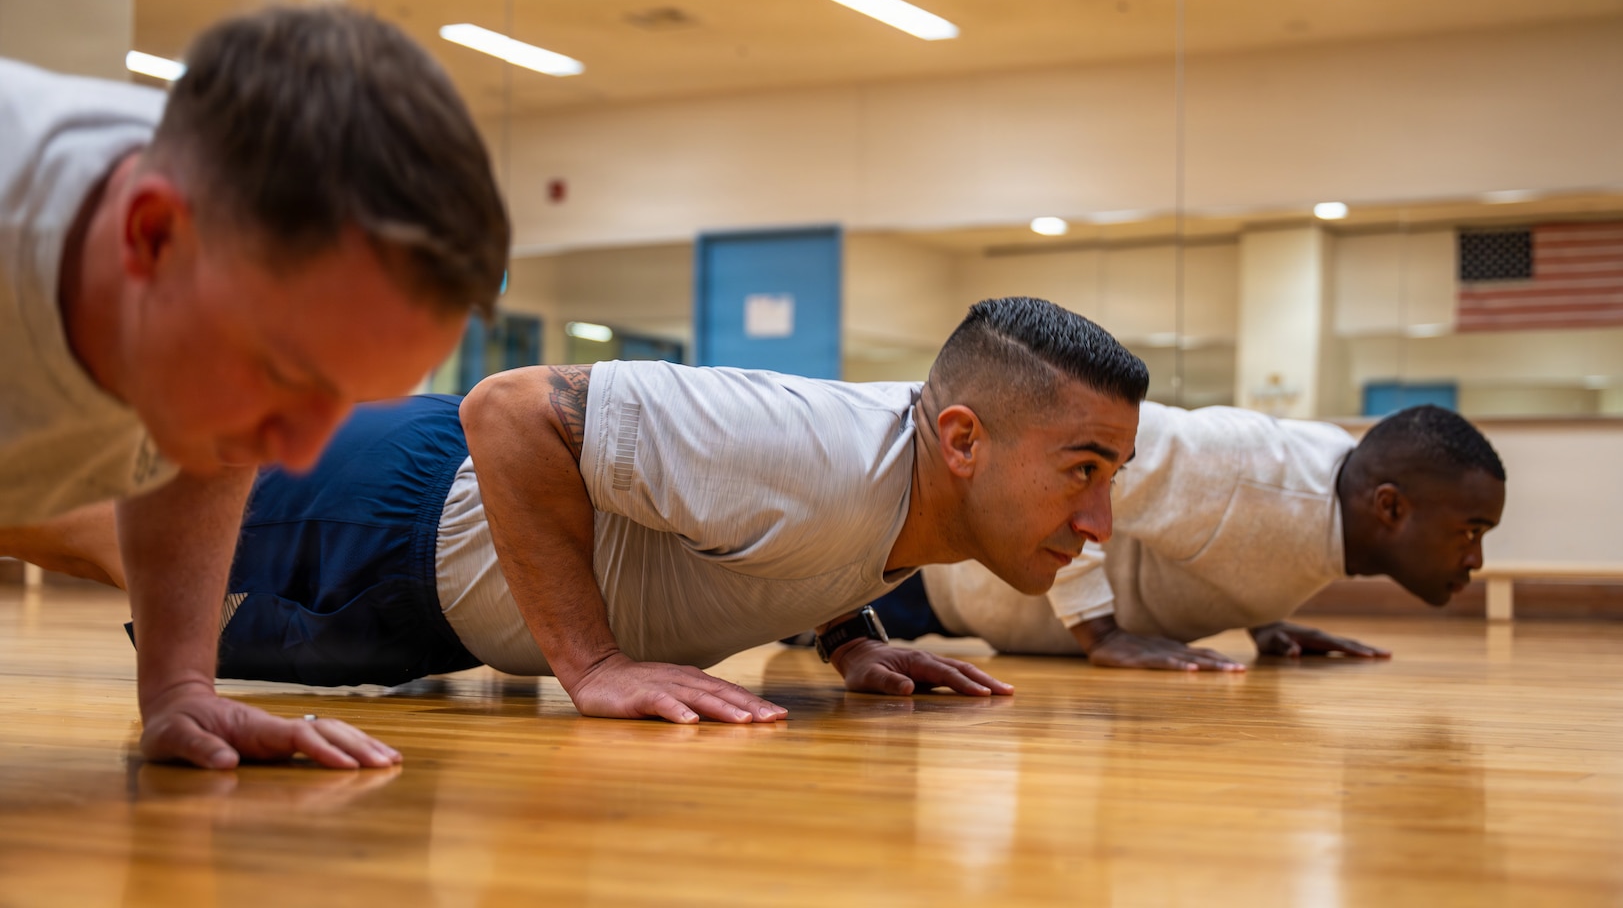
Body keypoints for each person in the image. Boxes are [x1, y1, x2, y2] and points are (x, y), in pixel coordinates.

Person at [15, 297, 1149, 721]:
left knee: (91, 535)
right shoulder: (819, 451)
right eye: (1082, 468)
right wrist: (595, 666)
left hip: (426, 593)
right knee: (80, 525)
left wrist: (853, 638)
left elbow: (813, 537)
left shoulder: (912, 483)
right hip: (398, 522)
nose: (1098, 522)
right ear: (963, 440)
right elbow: (511, 410)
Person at [0, 6, 511, 769]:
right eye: (286, 374)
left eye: (341, 400)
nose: (303, 455)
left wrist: (178, 687)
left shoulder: (216, 212)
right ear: (152, 235)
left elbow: (206, 456)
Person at [873, 402, 1506, 671]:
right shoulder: (1244, 468)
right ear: (1390, 509)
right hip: (935, 579)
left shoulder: (1347, 490)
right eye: (1469, 531)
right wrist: (1102, 634)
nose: (1475, 558)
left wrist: (1264, 616)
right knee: (803, 624)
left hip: (980, 606)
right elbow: (1070, 457)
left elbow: (1254, 533)